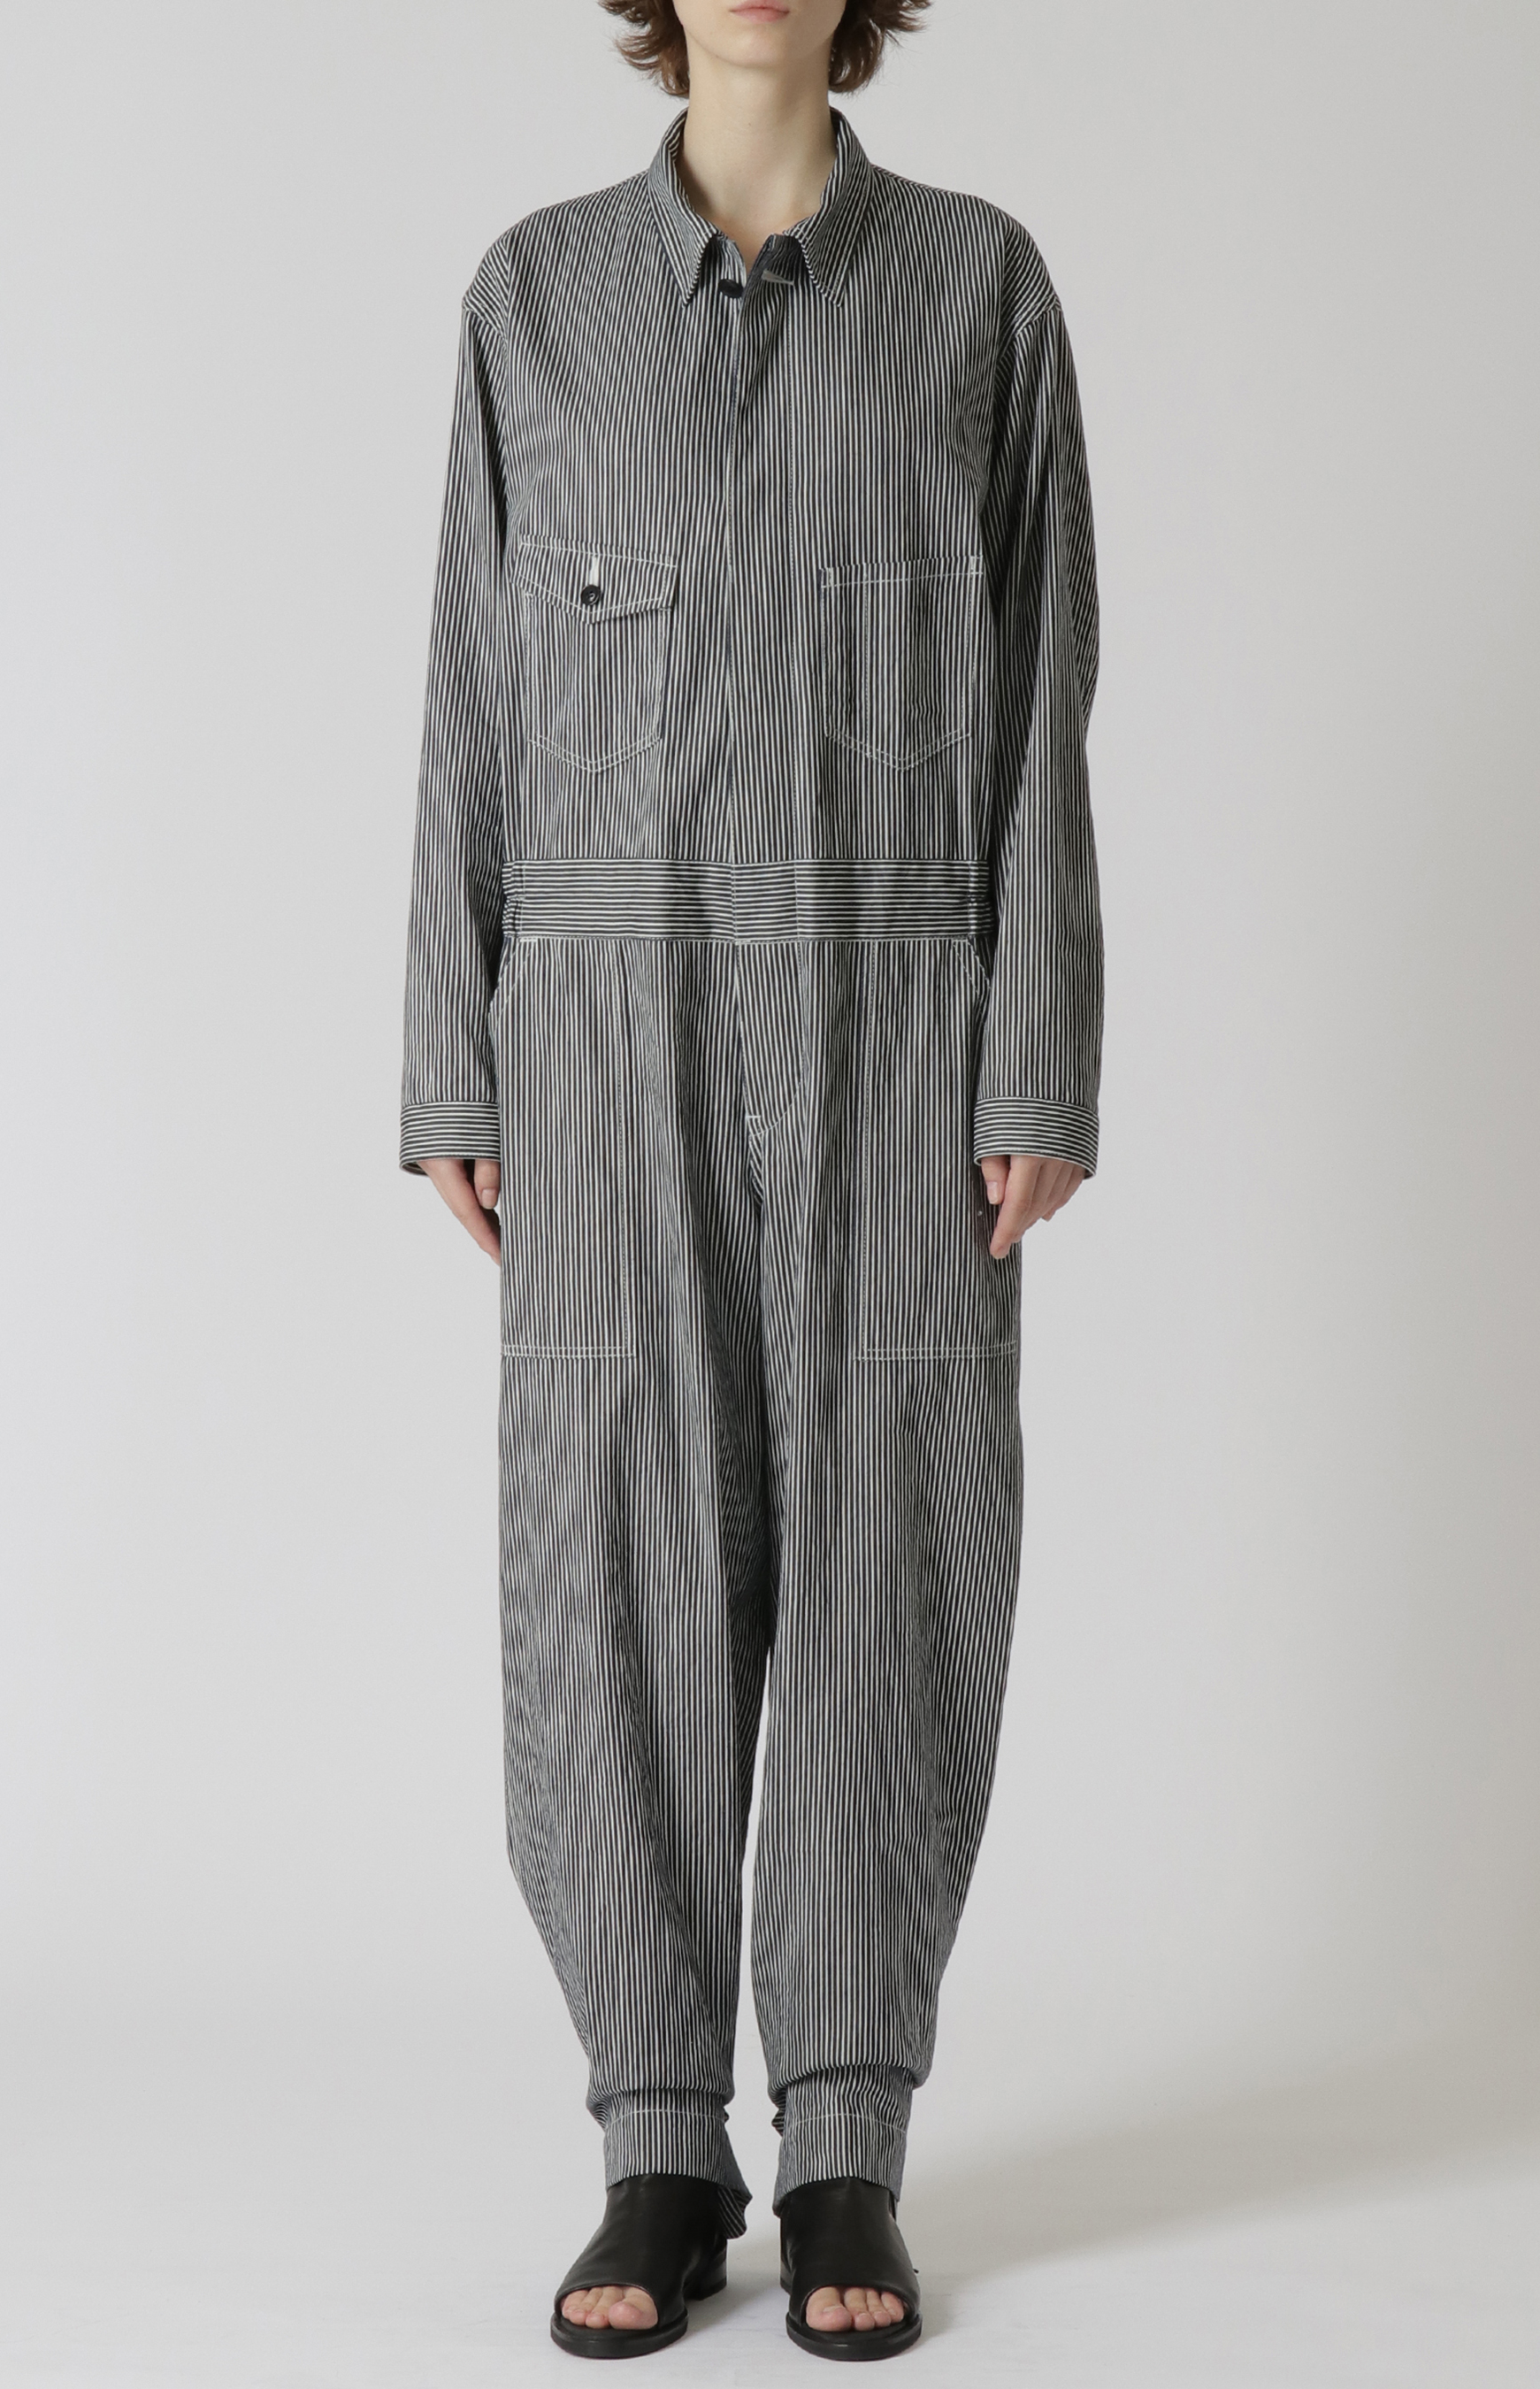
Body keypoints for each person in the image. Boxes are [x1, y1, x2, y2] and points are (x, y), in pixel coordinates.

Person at [399, 0, 1101, 2359]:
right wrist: (449, 1044)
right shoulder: (533, 293)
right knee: (607, 1553)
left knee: (895, 1547)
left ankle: (844, 2145)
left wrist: (1037, 1049)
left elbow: (1043, 687)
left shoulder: (980, 285)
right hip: (600, 1003)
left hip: (901, 992)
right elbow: (470, 688)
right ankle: (656, 2141)